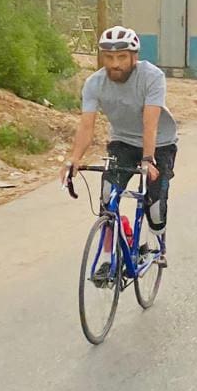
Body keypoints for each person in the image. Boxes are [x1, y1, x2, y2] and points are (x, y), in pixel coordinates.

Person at [62, 26, 177, 270]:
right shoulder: (94, 83)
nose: (115, 64)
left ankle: (155, 244)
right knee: (107, 198)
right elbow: (86, 126)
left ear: (134, 57)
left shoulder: (152, 77)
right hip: (122, 142)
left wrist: (148, 158)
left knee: (155, 208)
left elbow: (150, 124)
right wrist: (72, 159)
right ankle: (107, 259)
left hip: (159, 144)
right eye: (109, 57)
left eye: (122, 57)